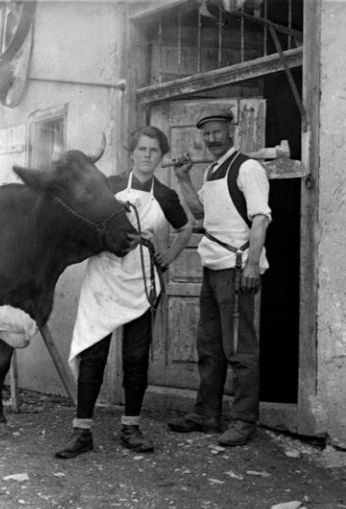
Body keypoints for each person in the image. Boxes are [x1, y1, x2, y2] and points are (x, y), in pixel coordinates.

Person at [55, 126, 192, 459]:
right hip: (104, 276)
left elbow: (186, 227)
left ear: (161, 157)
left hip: (140, 281)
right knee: (93, 354)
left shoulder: (166, 195)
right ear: (132, 152)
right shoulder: (110, 186)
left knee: (135, 358)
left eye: (154, 151)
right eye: (142, 149)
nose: (147, 156)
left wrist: (168, 256)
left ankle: (131, 427)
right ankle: (82, 431)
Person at [167, 108, 271, 447]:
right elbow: (200, 215)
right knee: (209, 345)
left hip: (238, 267)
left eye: (217, 132)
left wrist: (253, 264)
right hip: (212, 266)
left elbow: (260, 219)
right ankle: (207, 414)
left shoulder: (248, 168)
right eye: (207, 134)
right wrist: (183, 178)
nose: (212, 139)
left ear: (231, 131)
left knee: (240, 349)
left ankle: (244, 421)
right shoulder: (213, 170)